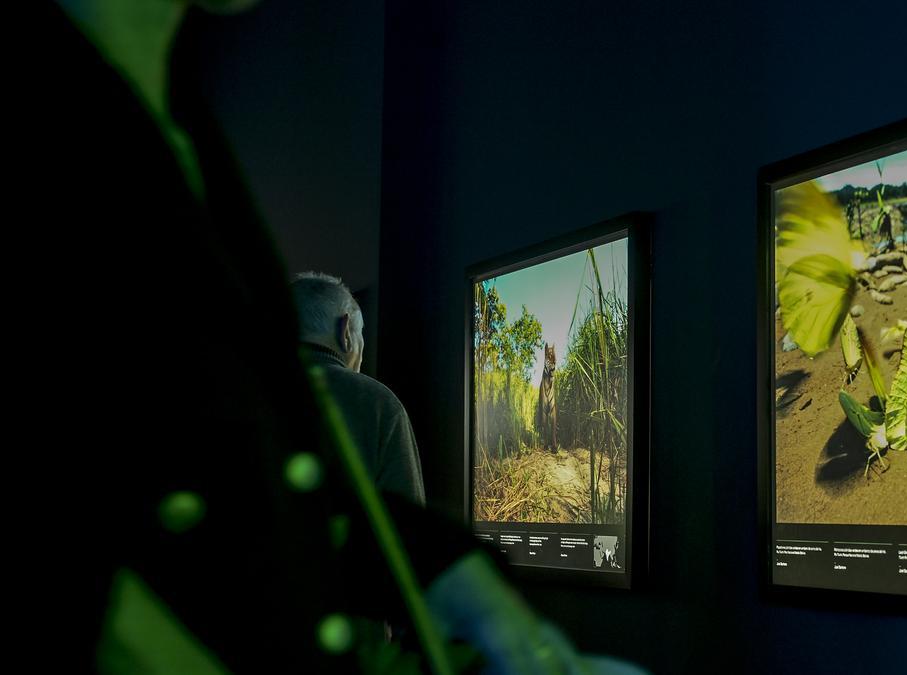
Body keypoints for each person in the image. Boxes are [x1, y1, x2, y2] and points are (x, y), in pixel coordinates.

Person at [35, 1, 640, 673]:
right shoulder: (375, 401)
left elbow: (249, 507)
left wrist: (450, 569)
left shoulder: (181, 116)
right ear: (350, 328)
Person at [291, 272, 426, 505]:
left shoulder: (236, 396)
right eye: (360, 335)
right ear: (345, 332)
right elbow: (409, 528)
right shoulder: (377, 404)